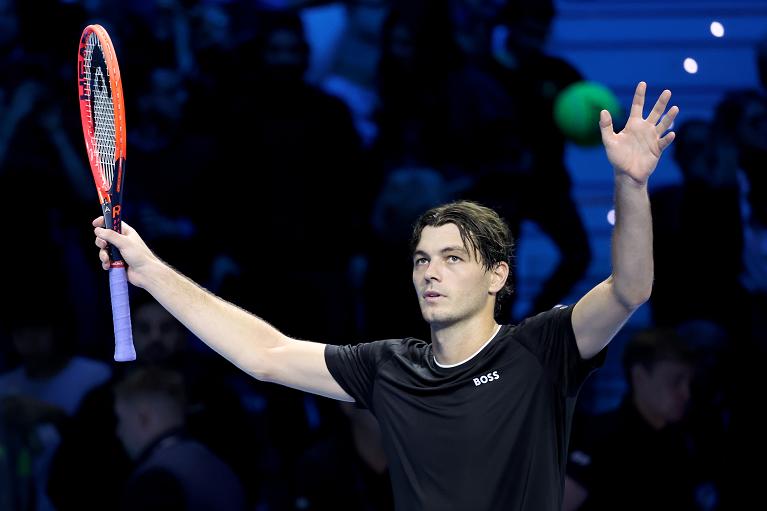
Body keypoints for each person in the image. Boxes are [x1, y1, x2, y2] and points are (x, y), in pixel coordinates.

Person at [92, 82, 678, 510]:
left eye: (453, 258)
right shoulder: (387, 366)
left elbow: (630, 288)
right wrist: (149, 271)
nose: (432, 272)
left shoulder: (543, 348)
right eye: (423, 259)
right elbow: (265, 355)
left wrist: (630, 183)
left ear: (498, 276)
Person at [563, 328, 703, 511]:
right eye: (675, 381)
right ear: (640, 377)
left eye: (688, 382)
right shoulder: (601, 440)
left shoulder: (682, 441)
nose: (686, 393)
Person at [113, 367, 247, 511]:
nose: (118, 432)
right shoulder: (218, 464)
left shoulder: (156, 481)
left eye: (121, 419)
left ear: (143, 418)